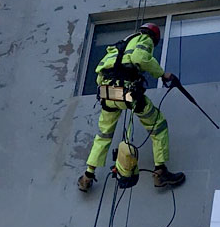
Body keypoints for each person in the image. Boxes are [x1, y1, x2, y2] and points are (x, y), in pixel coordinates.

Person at [78, 22, 185, 192]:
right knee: (158, 125)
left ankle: (87, 176)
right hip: (127, 93)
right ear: (154, 37)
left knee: (104, 135)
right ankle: (160, 172)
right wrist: (162, 74)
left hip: (107, 94)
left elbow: (99, 76)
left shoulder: (116, 48)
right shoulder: (145, 39)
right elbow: (140, 58)